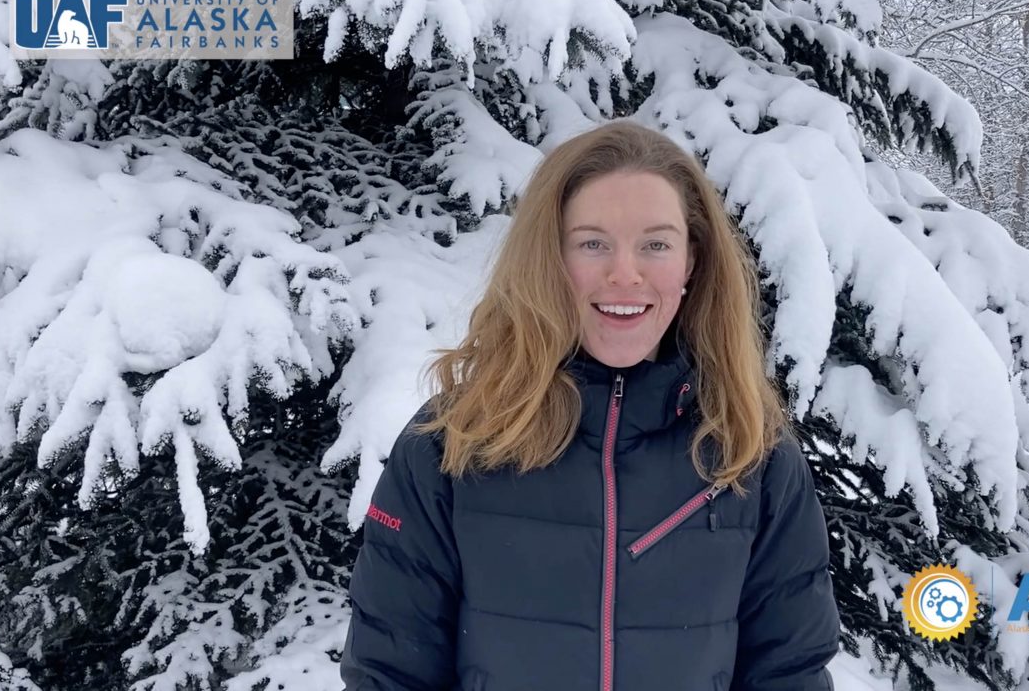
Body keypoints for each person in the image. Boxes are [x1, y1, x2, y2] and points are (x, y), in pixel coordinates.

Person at [341, 120, 840, 690]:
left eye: (655, 244)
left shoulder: (753, 454)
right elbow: (388, 675)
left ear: (691, 262)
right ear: (548, 258)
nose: (624, 274)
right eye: (592, 243)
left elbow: (789, 674)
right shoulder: (450, 444)